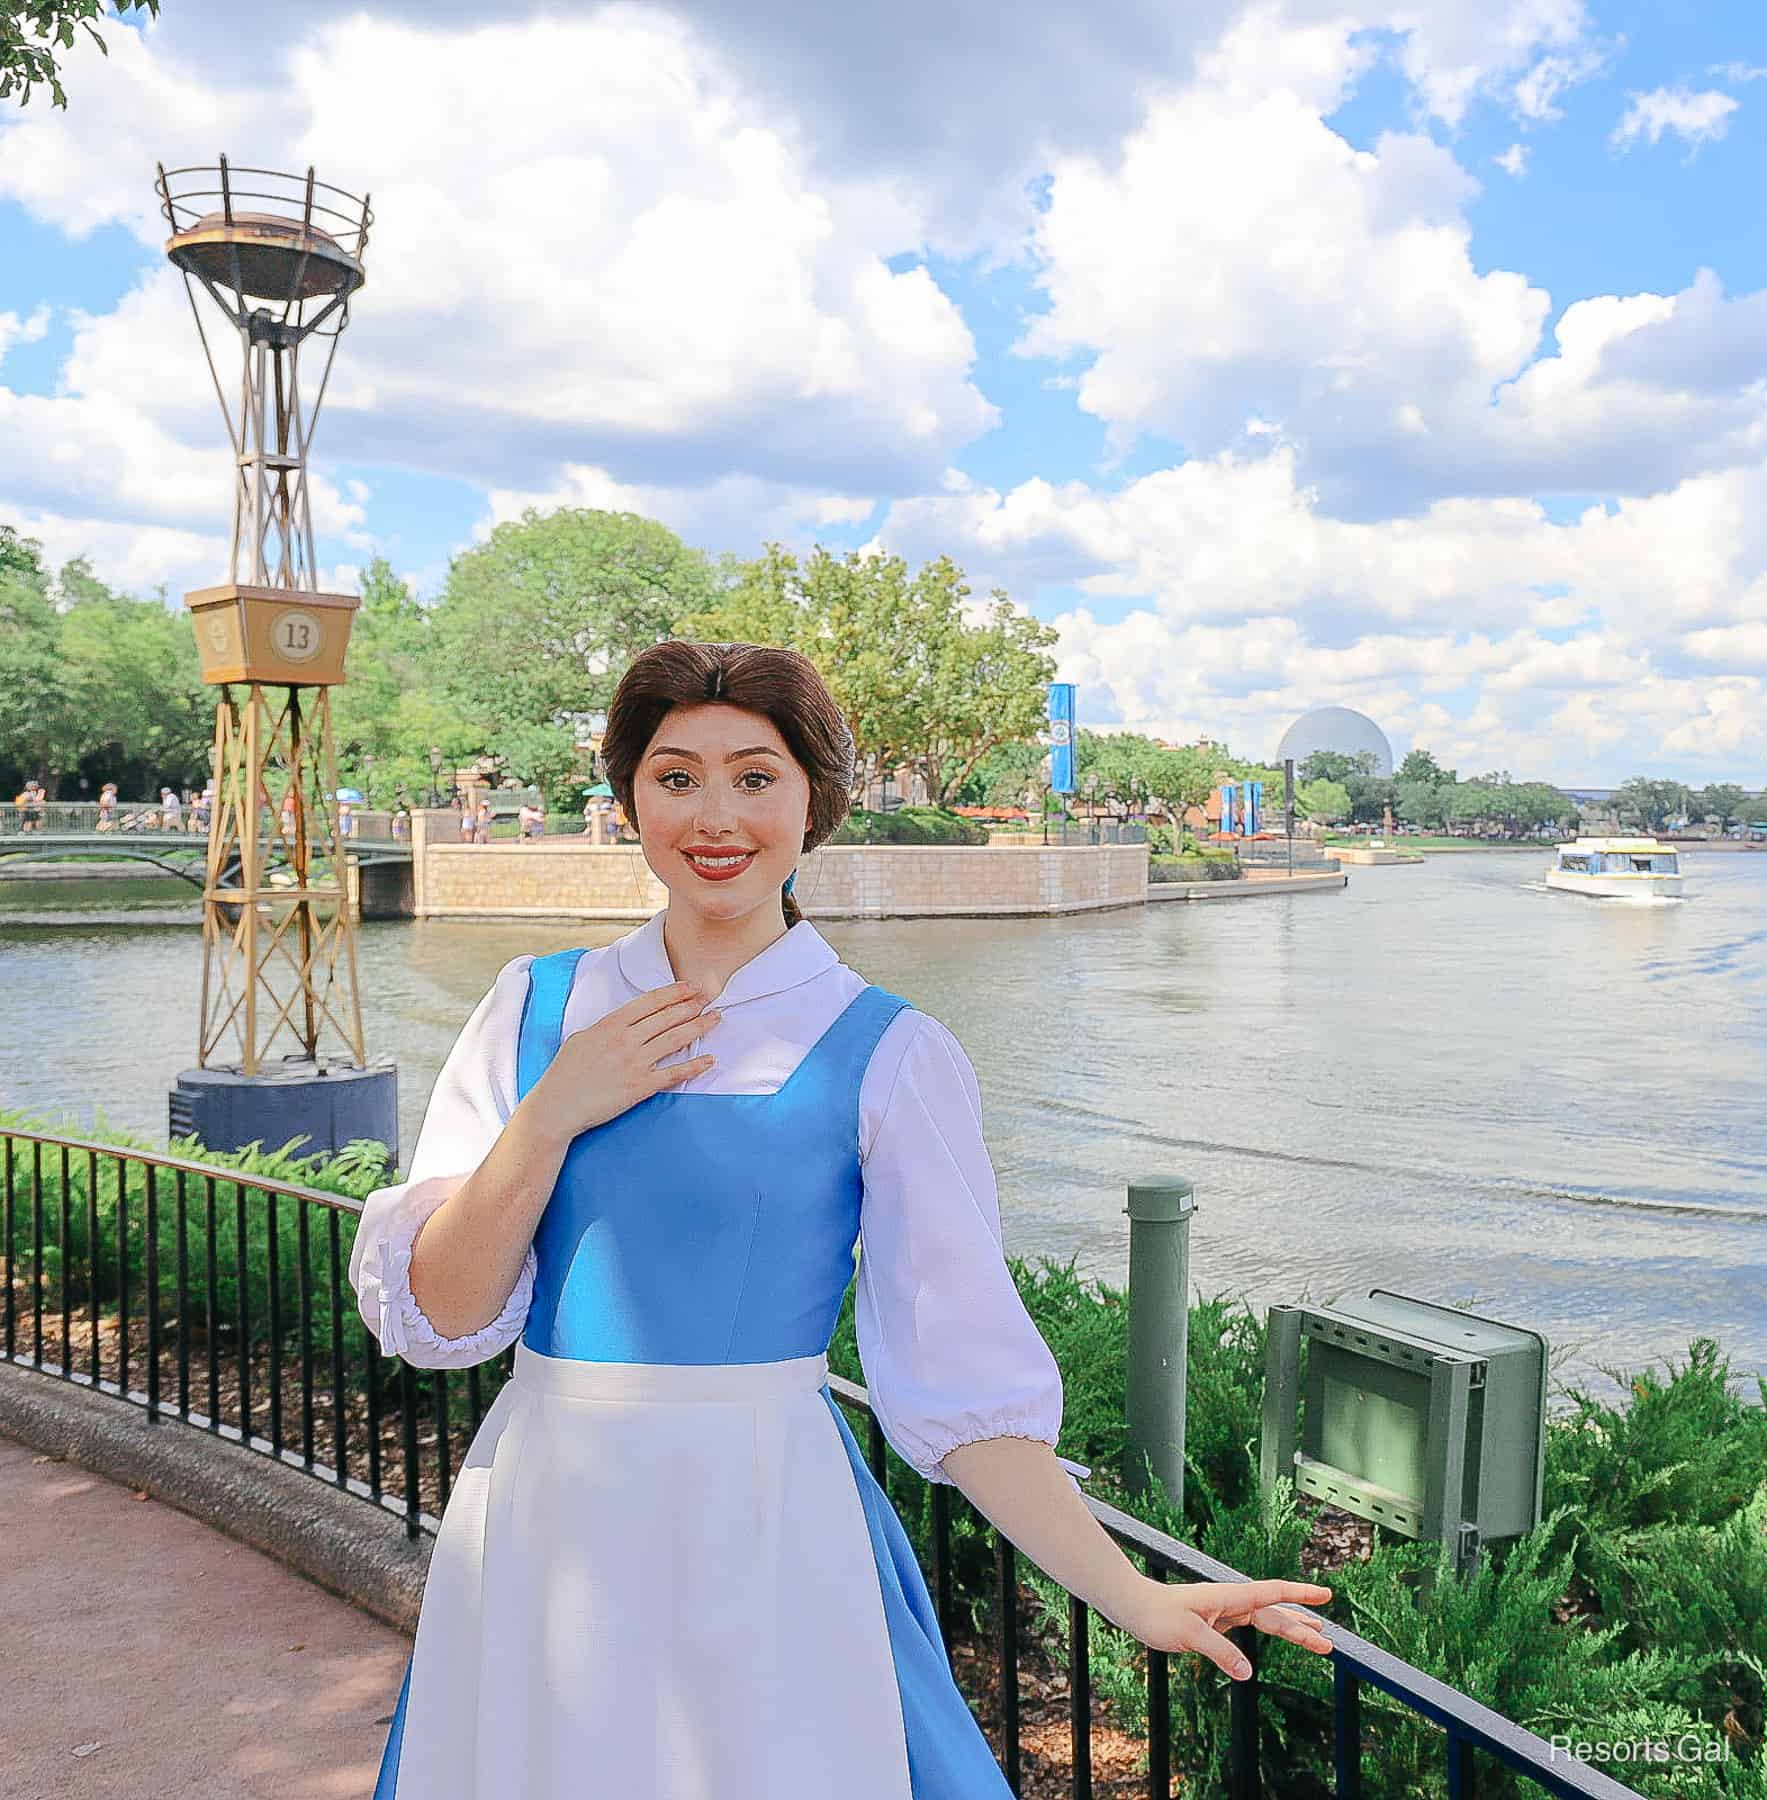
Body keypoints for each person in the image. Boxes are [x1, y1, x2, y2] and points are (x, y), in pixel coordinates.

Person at [347, 641, 1332, 1800]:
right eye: (676, 777)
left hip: (764, 1519)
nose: (716, 816)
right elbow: (442, 1311)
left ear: (815, 798)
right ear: (628, 799)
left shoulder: (892, 1054)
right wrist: (553, 1113)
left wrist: (1133, 1594)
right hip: (546, 1511)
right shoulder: (531, 1008)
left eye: (756, 777)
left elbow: (961, 1384)